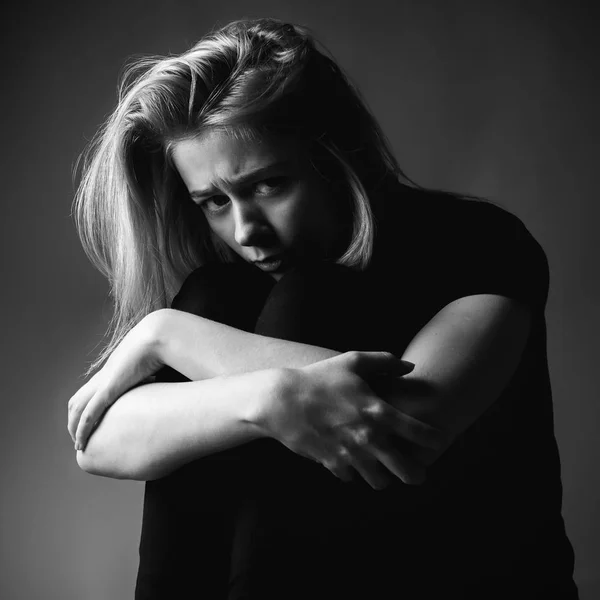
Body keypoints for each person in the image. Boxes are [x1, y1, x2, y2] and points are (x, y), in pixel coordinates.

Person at [67, 17, 578, 600]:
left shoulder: (476, 242)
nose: (245, 230)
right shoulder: (223, 292)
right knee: (218, 300)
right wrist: (267, 399)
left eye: (268, 185)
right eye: (213, 201)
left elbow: (404, 430)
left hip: (462, 573)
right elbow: (98, 440)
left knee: (303, 297)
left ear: (334, 153)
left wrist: (165, 335)